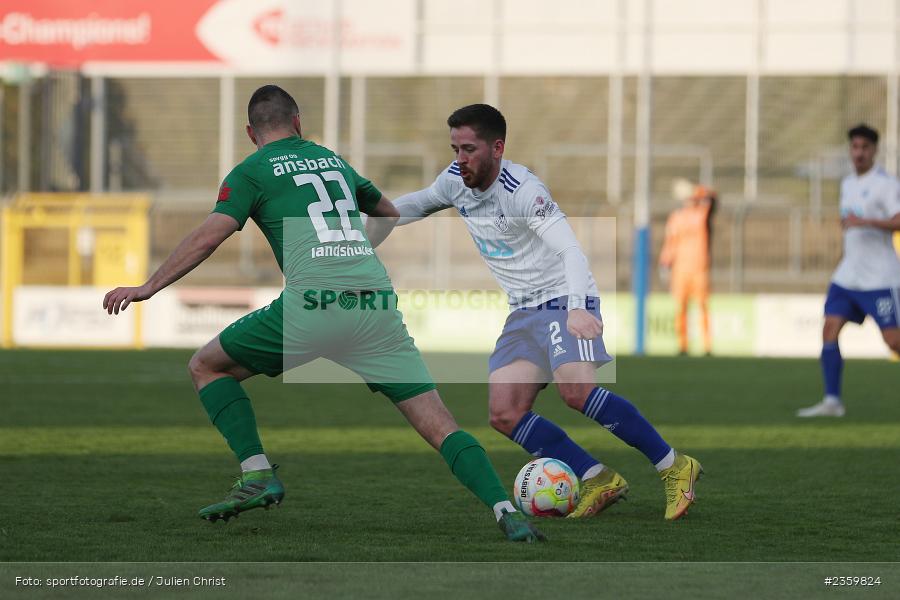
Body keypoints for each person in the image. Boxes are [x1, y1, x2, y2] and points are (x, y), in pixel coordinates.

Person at [102, 86, 544, 542]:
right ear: (298, 123)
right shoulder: (330, 160)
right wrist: (350, 252)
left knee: (207, 367)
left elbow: (210, 235)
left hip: (314, 304)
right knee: (439, 424)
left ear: (251, 132)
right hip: (374, 301)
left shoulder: (251, 170)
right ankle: (505, 510)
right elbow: (388, 211)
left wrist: (148, 286)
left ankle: (256, 472)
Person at [391, 104, 703, 521]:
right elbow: (416, 203)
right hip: (522, 311)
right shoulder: (454, 181)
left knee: (575, 391)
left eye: (469, 148)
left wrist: (576, 309)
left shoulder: (523, 190)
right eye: (455, 148)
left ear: (497, 147)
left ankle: (673, 465)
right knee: (504, 413)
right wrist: (364, 218)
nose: (460, 158)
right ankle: (596, 477)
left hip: (561, 298)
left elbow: (570, 250)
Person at [797, 124, 900, 417]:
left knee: (894, 342)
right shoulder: (847, 184)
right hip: (848, 275)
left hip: (881, 277)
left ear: (874, 151)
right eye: (855, 147)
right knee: (830, 328)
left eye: (865, 147)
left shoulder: (887, 184)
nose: (859, 153)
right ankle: (832, 401)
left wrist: (865, 221)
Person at [659, 180, 716, 356]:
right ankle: (683, 345)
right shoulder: (675, 217)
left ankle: (707, 346)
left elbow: (713, 199)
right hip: (680, 270)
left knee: (702, 307)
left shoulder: (702, 213)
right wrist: (665, 262)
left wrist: (698, 190)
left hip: (699, 268)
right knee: (680, 308)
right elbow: (670, 242)